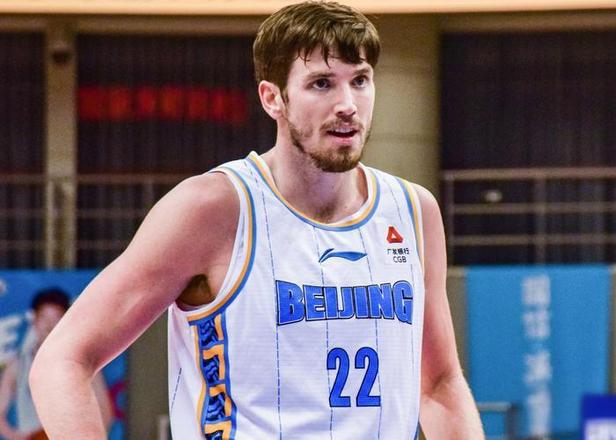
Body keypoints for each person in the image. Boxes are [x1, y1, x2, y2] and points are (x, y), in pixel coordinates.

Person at [30, 1, 484, 439]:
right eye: (322, 83)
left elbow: (439, 384)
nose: (347, 103)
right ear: (273, 98)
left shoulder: (413, 210)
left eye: (360, 80)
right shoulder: (211, 208)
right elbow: (62, 360)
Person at [0, 288, 112, 440]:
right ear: (34, 320)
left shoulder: (82, 363)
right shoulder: (18, 364)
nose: (49, 326)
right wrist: (15, 436)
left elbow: (104, 410)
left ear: (66, 322)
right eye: (44, 318)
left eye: (56, 319)